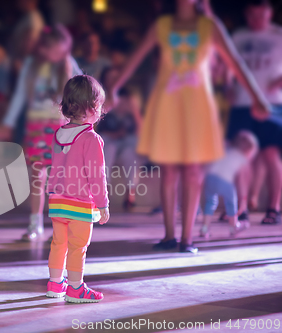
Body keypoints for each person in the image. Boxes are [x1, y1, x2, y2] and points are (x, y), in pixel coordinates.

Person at [111, 0, 270, 253]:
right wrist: (112, 88)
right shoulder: (161, 25)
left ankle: (187, 239)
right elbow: (134, 59)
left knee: (193, 171)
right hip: (167, 104)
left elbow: (235, 63)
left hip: (197, 106)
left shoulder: (209, 26)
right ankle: (169, 236)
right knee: (169, 169)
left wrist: (258, 97)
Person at [0, 24, 82, 241]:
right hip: (36, 126)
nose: (61, 55)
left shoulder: (68, 64)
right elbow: (19, 95)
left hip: (60, 127)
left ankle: (65, 222)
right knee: (38, 176)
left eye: (64, 50)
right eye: (58, 50)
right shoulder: (30, 65)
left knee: (63, 178)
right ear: (45, 48)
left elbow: (81, 89)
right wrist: (8, 122)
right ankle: (34, 223)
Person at [46, 75, 109, 303]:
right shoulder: (91, 138)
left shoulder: (58, 134)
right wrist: (103, 204)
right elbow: (97, 175)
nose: (101, 110)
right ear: (91, 108)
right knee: (77, 248)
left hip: (57, 201)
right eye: (99, 106)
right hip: (80, 203)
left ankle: (55, 283)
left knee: (58, 244)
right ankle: (75, 288)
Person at [227, 0, 282, 225]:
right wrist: (228, 86)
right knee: (241, 157)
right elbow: (228, 64)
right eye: (252, 15)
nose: (256, 20)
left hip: (271, 104)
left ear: (270, 13)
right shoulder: (238, 36)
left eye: (261, 14)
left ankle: (274, 207)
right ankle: (241, 207)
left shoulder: (278, 35)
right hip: (241, 103)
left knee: (270, 155)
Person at [96, 66, 142, 210]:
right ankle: (105, 194)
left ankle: (130, 194)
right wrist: (108, 106)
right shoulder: (98, 97)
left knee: (130, 154)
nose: (113, 82)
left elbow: (140, 128)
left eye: (116, 78)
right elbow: (93, 127)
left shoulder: (129, 98)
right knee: (107, 149)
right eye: (109, 78)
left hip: (126, 141)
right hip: (107, 140)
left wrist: (132, 109)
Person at [200, 131, 258, 238]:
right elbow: (241, 181)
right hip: (225, 181)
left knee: (210, 202)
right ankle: (233, 226)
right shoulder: (241, 158)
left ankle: (204, 228)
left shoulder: (225, 148)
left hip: (210, 178)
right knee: (231, 203)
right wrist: (244, 198)